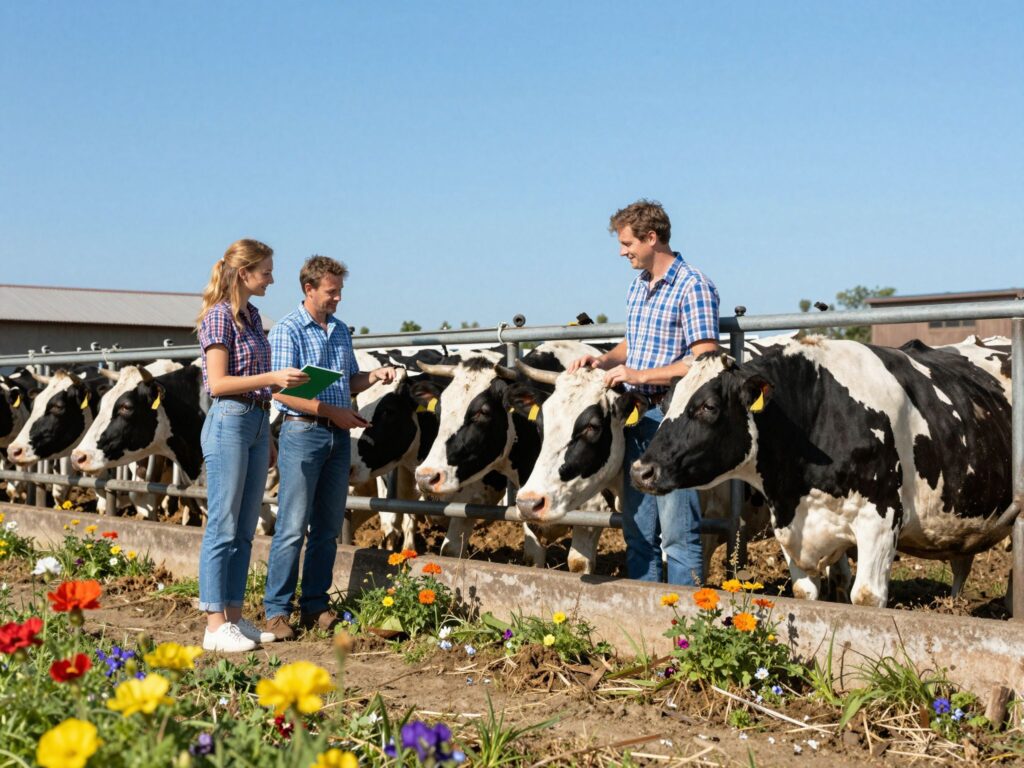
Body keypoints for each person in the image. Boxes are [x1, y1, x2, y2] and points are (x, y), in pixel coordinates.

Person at [569, 200, 719, 586]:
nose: (622, 252)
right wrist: (600, 362)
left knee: (677, 535)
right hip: (633, 419)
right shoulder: (638, 287)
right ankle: (645, 621)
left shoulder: (693, 285)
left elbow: (704, 360)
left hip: (669, 421)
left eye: (627, 243)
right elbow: (631, 344)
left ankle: (688, 624)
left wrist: (639, 373)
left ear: (651, 238)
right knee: (637, 532)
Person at [263, 255, 395, 640]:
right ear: (309, 288)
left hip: (337, 435)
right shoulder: (289, 330)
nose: (338, 299)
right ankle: (276, 610)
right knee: (291, 524)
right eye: (331, 292)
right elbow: (284, 393)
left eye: (340, 292)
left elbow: (347, 382)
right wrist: (333, 413)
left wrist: (372, 376)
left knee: (326, 528)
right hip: (303, 432)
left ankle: (316, 605)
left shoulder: (338, 330)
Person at [196, 239, 309, 652]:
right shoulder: (219, 317)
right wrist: (273, 379)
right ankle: (213, 625)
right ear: (244, 274)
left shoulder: (253, 315)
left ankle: (234, 617)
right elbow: (219, 383)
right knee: (223, 526)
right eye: (265, 271)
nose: (272, 278)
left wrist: (269, 430)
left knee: (245, 529)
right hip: (230, 419)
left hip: (257, 422)